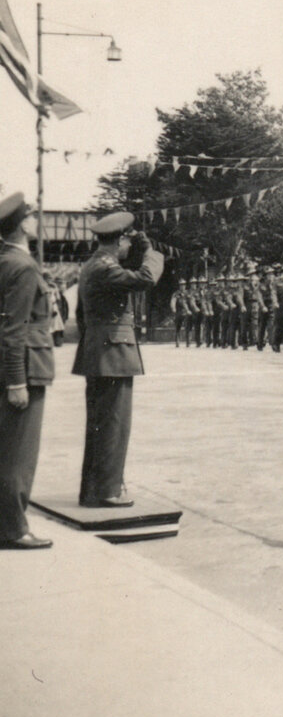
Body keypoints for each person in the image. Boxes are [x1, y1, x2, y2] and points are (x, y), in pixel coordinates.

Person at [72, 212, 164, 508]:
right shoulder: (105, 267)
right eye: (129, 239)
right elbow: (146, 278)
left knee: (101, 424)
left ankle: (94, 489)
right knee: (114, 423)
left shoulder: (92, 266)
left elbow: (79, 315)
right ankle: (108, 490)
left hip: (100, 352)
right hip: (112, 353)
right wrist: (151, 253)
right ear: (121, 239)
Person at [0, 193, 54, 548]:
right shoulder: (22, 266)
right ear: (22, 223)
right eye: (32, 216)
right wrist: (16, 380)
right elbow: (14, 329)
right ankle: (15, 529)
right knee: (18, 454)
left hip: (15, 365)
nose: (36, 220)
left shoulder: (5, 260)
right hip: (24, 369)